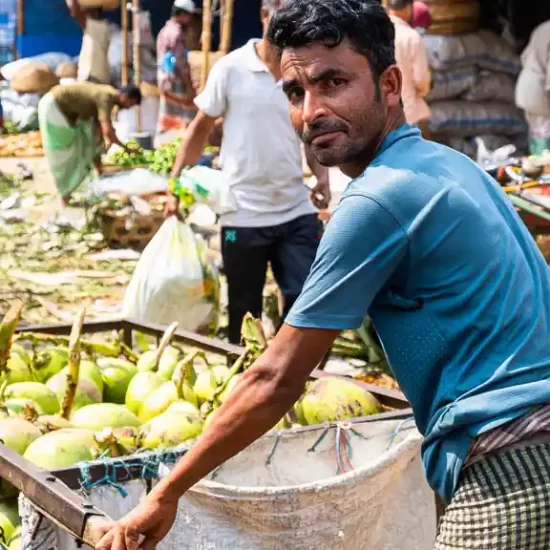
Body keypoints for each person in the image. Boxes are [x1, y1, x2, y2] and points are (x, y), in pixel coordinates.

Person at [95, 1, 550, 549]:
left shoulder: (378, 199)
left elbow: (277, 378)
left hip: (516, 469)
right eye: (295, 92)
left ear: (389, 84)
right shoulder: (447, 163)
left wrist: (165, 492)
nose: (312, 110)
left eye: (334, 82)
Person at [165, 0, 330, 345]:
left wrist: (323, 176)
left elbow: (310, 131)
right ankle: (241, 381)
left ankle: (289, 377)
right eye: (280, 15)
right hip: (243, 214)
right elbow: (199, 129)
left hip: (295, 209)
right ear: (264, 14)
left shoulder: (300, 72)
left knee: (305, 299)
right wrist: (175, 183)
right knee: (243, 311)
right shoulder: (231, 68)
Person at [38, 83, 141, 202]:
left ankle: (95, 176)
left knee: (90, 143)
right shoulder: (106, 97)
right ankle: (64, 193)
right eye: (131, 103)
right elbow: (108, 131)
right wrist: (126, 148)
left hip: (61, 109)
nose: (128, 107)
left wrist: (102, 141)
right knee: (64, 153)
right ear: (125, 96)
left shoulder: (109, 94)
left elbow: (101, 124)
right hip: (55, 107)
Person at [387, 0, 432, 136]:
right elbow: (421, 81)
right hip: (408, 115)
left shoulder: (373, 34)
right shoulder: (412, 37)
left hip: (380, 118)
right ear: (408, 8)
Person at [156, 0, 198, 134]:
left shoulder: (164, 30)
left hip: (164, 80)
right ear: (182, 14)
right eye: (189, 15)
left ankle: (166, 143)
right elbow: (181, 64)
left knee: (169, 116)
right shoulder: (177, 33)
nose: (190, 19)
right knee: (185, 117)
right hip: (176, 81)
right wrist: (189, 86)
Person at [515, 19, 550, 155]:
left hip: (529, 87)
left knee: (539, 140)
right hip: (540, 93)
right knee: (544, 149)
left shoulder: (545, 27)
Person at [67, 0, 111, 85]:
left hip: (91, 77)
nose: (83, 11)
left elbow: (75, 13)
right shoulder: (105, 26)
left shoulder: (94, 25)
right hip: (100, 76)